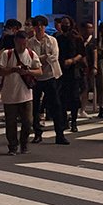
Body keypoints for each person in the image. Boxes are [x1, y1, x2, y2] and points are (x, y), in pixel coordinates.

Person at [0, 26, 40, 154]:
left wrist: (28, 71)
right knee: (11, 123)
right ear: (15, 41)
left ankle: (24, 143)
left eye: (24, 43)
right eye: (20, 43)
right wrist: (13, 69)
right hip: (10, 94)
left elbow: (39, 70)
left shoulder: (31, 54)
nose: (22, 46)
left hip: (26, 95)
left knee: (28, 121)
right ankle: (13, 146)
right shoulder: (7, 54)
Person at [30, 16, 69, 145]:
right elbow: (31, 60)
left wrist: (40, 59)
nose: (40, 28)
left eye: (42, 25)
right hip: (36, 77)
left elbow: (54, 57)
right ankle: (37, 133)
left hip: (51, 75)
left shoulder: (52, 40)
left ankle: (60, 134)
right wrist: (43, 57)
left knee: (56, 105)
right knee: (35, 107)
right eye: (37, 25)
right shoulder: (30, 42)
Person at [56, 17, 86, 133]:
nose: (65, 26)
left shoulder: (76, 38)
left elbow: (81, 53)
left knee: (74, 97)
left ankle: (74, 121)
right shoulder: (58, 38)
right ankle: (64, 121)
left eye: (67, 23)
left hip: (74, 70)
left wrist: (72, 61)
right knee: (61, 97)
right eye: (63, 24)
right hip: (61, 70)